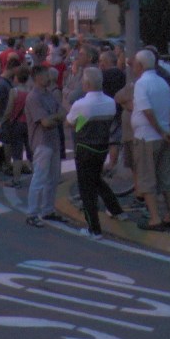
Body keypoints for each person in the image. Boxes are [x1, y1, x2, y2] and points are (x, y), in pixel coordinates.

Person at [67, 67, 126, 239]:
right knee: (96, 180)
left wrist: (80, 123)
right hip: (102, 147)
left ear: (86, 84)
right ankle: (116, 210)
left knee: (86, 188)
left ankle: (94, 228)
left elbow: (71, 122)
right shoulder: (110, 102)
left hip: (84, 148)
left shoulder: (81, 104)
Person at [130, 50, 170, 232]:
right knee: (167, 178)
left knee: (147, 179)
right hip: (166, 136)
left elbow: (147, 111)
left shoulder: (141, 84)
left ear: (140, 66)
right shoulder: (163, 82)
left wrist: (159, 130)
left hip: (146, 137)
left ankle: (155, 218)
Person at [24, 65, 66, 228]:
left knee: (53, 178)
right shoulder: (33, 97)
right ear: (38, 78)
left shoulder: (50, 94)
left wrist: (54, 117)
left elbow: (62, 113)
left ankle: (47, 210)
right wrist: (56, 117)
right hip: (41, 142)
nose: (49, 78)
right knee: (40, 178)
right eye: (46, 75)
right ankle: (32, 213)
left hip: (53, 141)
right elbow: (46, 122)